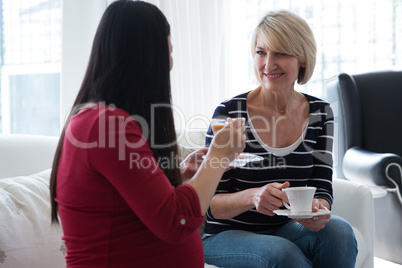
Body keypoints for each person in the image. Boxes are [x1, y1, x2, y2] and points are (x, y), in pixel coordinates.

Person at [49, 1, 245, 267]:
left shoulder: (101, 121)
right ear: (147, 57)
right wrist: (218, 157)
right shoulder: (106, 126)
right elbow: (177, 222)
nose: (172, 64)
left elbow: (138, 211)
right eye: (169, 52)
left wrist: (185, 177)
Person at [202, 10, 358, 268]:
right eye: (261, 52)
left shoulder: (320, 113)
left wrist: (318, 207)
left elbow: (321, 183)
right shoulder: (228, 113)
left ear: (302, 59)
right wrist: (253, 196)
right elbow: (210, 204)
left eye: (281, 53)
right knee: (281, 252)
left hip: (285, 228)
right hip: (224, 235)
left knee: (339, 232)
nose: (268, 64)